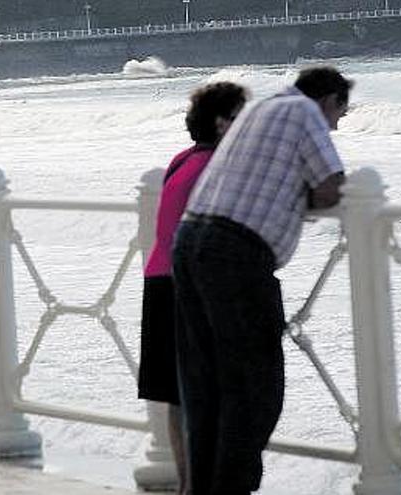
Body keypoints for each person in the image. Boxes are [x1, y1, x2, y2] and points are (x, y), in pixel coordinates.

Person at [171, 66, 351, 494]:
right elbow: (331, 185)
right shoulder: (303, 111)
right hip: (235, 253)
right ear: (328, 100)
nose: (336, 126)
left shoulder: (257, 110)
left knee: (207, 384)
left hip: (191, 241)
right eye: (339, 116)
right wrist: (306, 197)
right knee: (253, 384)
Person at [138, 81, 248, 495]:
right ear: (222, 124)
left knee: (174, 392)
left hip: (158, 277)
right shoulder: (219, 167)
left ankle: (187, 484)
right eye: (241, 118)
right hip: (188, 283)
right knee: (204, 389)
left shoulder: (182, 159)